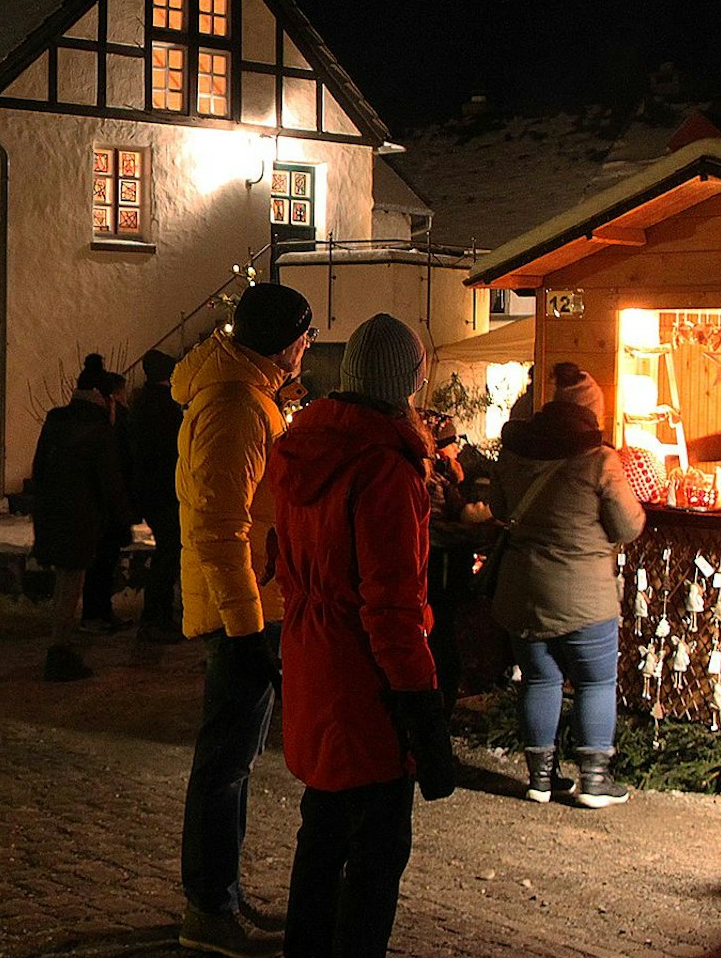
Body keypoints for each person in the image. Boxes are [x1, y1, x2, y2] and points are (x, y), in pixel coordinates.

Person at [269, 313, 456, 958]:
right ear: (406, 384)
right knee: (376, 852)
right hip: (366, 685)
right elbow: (392, 607)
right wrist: (422, 708)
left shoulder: (302, 449)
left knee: (322, 832)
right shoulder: (383, 468)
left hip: (312, 661)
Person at [172, 281, 314, 955]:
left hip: (251, 603)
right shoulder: (236, 405)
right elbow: (221, 526)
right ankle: (208, 906)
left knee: (235, 759)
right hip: (244, 609)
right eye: (305, 337)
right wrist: (246, 625)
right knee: (225, 760)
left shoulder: (246, 395)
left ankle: (220, 893)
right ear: (287, 343)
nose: (308, 350)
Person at [488, 362, 645, 807]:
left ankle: (540, 779)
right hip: (584, 599)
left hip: (522, 593)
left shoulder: (513, 456)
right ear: (590, 415)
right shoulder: (600, 462)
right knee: (595, 683)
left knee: (538, 679)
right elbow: (628, 526)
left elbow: (499, 509)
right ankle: (594, 781)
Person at [31, 366, 130, 682]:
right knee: (72, 582)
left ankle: (59, 645)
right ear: (101, 397)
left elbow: (39, 466)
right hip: (81, 516)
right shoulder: (98, 427)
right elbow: (108, 479)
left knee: (65, 581)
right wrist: (125, 515)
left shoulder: (56, 418)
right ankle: (59, 651)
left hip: (53, 512)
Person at [422, 410, 498, 707]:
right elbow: (436, 527)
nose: (457, 447)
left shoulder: (446, 473)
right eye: (451, 441)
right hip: (439, 563)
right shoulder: (431, 477)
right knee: (442, 629)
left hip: (449, 561)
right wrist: (473, 531)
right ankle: (440, 693)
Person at [131, 348, 184, 644]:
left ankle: (157, 615)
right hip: (164, 490)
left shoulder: (143, 403)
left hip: (150, 490)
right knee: (168, 553)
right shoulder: (163, 407)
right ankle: (156, 616)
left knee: (166, 552)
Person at [82, 366, 136, 635]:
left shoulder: (99, 423)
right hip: (107, 505)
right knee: (103, 562)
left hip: (98, 506)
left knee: (101, 562)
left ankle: (98, 612)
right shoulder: (114, 423)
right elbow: (118, 466)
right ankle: (96, 613)